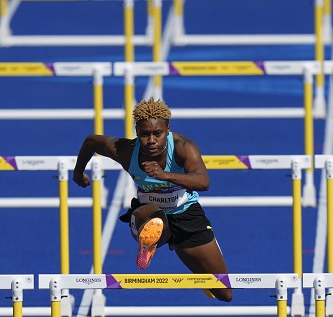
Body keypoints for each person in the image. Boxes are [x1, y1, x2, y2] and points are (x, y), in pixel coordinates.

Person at [72, 97, 233, 302]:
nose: (151, 140)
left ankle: (178, 251)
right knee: (150, 216)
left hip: (186, 215)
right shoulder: (127, 151)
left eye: (157, 134)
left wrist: (165, 175)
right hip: (148, 213)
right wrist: (78, 173)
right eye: (144, 134)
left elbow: (203, 182)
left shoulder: (184, 148)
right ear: (137, 132)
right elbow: (91, 141)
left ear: (168, 129)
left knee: (224, 293)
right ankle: (148, 240)